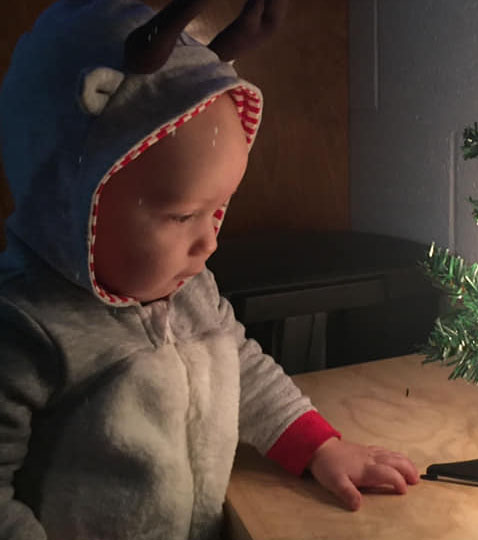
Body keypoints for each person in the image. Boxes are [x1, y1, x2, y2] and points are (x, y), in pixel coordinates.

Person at [0, 1, 419, 538]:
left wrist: (320, 446)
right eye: (182, 215)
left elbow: (241, 368)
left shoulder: (190, 287)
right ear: (73, 202)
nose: (209, 241)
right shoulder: (25, 326)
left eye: (217, 209)